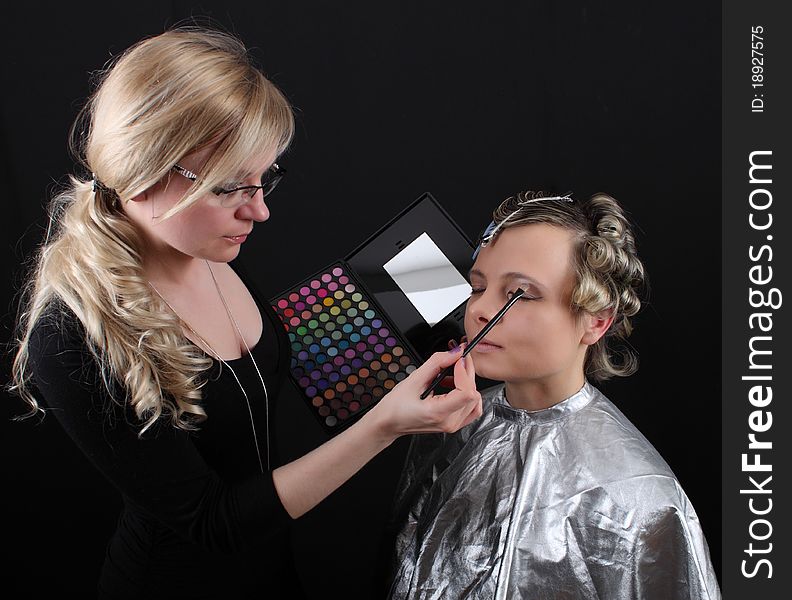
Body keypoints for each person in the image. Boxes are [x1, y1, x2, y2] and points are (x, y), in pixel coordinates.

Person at [8, 26, 482, 599]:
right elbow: (216, 523)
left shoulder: (206, 247)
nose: (259, 211)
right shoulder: (71, 336)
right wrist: (384, 424)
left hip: (276, 575)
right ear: (143, 173)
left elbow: (266, 368)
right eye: (231, 188)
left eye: (266, 179)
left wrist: (418, 307)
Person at [387, 191, 721, 599]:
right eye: (477, 287)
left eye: (520, 295)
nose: (479, 310)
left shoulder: (640, 496)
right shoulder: (446, 425)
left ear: (596, 322)